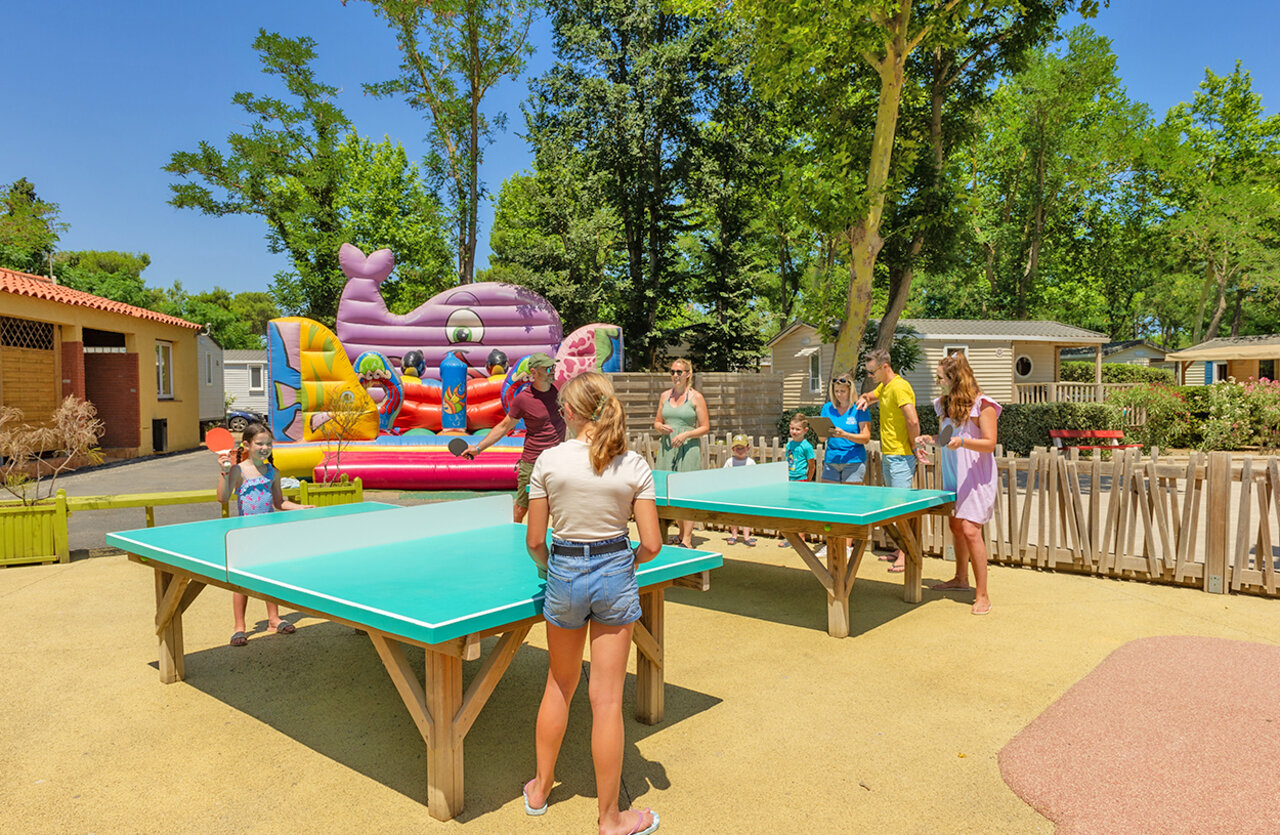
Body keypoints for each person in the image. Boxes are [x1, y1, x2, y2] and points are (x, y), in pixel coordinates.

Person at [523, 371, 663, 835]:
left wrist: (550, 570)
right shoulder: (633, 465)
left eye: (563, 407)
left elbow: (535, 542)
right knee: (605, 701)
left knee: (558, 685)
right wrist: (625, 566)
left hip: (564, 571)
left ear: (572, 411)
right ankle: (610, 818)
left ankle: (540, 789)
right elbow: (652, 545)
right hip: (614, 570)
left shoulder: (549, 462)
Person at [914, 353, 1000, 615]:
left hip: (976, 475)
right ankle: (961, 579)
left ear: (954, 378)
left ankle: (982, 594)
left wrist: (963, 442)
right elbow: (945, 439)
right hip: (953, 473)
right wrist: (927, 440)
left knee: (971, 529)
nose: (938, 381)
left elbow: (989, 443)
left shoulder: (982, 404)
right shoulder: (944, 404)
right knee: (955, 525)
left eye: (941, 377)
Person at [215, 422, 313, 646]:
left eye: (268, 443)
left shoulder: (273, 472)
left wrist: (300, 508)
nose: (265, 447)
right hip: (244, 534)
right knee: (241, 582)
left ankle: (273, 619)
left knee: (269, 576)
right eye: (259, 443)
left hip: (268, 533)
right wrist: (225, 472)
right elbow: (222, 497)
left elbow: (279, 502)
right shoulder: (238, 470)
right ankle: (239, 627)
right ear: (247, 445)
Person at [467, 352, 566, 523]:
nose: (553, 370)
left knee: (558, 507)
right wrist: (478, 449)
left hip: (557, 460)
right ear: (534, 373)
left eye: (553, 366)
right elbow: (504, 427)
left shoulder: (559, 392)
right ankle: (512, 534)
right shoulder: (523, 399)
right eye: (548, 368)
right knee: (522, 507)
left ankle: (557, 545)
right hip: (533, 461)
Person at [855, 348, 920, 573]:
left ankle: (906, 554)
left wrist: (915, 447)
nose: (870, 377)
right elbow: (871, 395)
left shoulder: (900, 387)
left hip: (901, 456)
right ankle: (900, 548)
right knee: (893, 507)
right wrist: (864, 399)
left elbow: (912, 420)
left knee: (901, 508)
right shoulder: (885, 386)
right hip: (890, 455)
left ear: (884, 367)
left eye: (872, 372)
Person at [653, 358, 709, 548]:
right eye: (672, 372)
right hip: (667, 448)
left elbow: (705, 427)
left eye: (679, 372)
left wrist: (685, 434)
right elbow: (656, 422)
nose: (675, 375)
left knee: (687, 492)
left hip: (688, 448)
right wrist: (660, 427)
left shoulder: (696, 397)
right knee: (668, 491)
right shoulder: (664, 396)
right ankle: (679, 532)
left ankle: (686, 539)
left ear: (688, 374)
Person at [819, 375, 871, 485]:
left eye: (842, 391)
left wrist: (845, 435)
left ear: (850, 390)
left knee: (850, 499)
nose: (839, 394)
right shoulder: (827, 408)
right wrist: (822, 431)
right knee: (829, 498)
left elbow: (866, 438)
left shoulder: (859, 409)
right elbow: (822, 439)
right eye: (836, 391)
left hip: (854, 461)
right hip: (831, 460)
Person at [780, 414, 817, 547]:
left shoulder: (806, 446)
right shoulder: (790, 444)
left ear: (805, 431)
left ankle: (800, 538)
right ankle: (791, 538)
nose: (794, 432)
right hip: (789, 481)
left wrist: (808, 480)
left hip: (801, 481)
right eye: (792, 429)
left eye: (797, 429)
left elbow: (812, 465)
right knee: (789, 510)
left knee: (800, 509)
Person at [722, 433, 757, 546]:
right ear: (733, 449)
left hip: (746, 493)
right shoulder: (729, 462)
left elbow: (755, 477)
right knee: (733, 515)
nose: (740, 450)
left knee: (745, 514)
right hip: (733, 493)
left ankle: (747, 536)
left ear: (748, 448)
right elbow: (723, 475)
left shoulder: (750, 462)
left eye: (742, 448)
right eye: (738, 448)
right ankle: (734, 535)